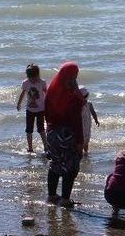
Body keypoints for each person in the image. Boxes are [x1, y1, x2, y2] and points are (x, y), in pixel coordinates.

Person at [45, 61, 84, 207]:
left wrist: (51, 130)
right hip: (68, 135)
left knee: (55, 164)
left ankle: (52, 196)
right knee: (70, 167)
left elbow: (46, 113)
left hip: (53, 132)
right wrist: (80, 141)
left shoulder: (52, 90)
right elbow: (77, 121)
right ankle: (65, 199)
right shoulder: (73, 97)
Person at [16, 63, 47, 153]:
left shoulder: (42, 82)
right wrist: (19, 103)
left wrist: (49, 104)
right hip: (29, 110)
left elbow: (47, 93)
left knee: (41, 129)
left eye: (34, 77)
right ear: (28, 76)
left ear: (38, 75)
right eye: (30, 78)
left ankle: (46, 146)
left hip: (41, 109)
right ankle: (30, 148)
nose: (32, 80)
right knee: (29, 130)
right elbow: (23, 93)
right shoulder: (26, 82)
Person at [79, 87, 99, 155]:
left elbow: (93, 112)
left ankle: (85, 152)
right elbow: (93, 112)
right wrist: (96, 120)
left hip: (86, 125)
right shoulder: (79, 105)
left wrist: (96, 120)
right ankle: (82, 152)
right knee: (83, 140)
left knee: (86, 139)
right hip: (82, 125)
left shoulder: (89, 104)